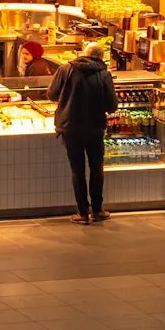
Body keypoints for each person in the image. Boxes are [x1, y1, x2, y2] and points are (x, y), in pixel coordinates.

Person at [50, 40, 117, 224]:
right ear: (100, 58)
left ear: (84, 53)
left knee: (77, 171)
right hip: (95, 128)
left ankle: (82, 213)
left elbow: (51, 94)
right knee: (96, 169)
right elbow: (112, 106)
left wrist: (67, 100)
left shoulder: (66, 69)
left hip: (70, 127)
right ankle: (97, 210)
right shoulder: (104, 74)